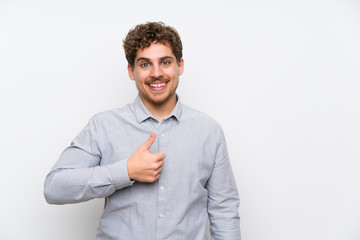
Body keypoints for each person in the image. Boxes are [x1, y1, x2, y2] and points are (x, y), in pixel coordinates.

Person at [44, 21, 240, 240]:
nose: (156, 73)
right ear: (131, 71)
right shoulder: (103, 126)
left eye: (165, 62)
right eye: (145, 64)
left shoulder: (209, 131)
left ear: (180, 66)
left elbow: (224, 210)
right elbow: (54, 187)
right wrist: (125, 171)